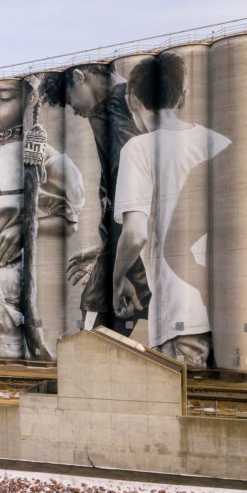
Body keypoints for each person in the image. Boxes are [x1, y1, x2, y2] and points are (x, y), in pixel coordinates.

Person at [111, 52, 230, 367]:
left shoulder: (139, 149)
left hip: (182, 311)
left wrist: (118, 279)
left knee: (182, 404)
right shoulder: (220, 143)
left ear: (132, 99)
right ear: (185, 97)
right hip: (229, 309)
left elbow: (135, 234)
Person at [0, 79, 83, 359]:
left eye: (4, 98)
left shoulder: (49, 161)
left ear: (27, 103)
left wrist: (25, 228)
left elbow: (69, 219)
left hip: (6, 278)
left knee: (4, 352)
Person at [40, 63, 149, 336]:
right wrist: (108, 248)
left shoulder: (115, 110)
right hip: (130, 247)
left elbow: (135, 194)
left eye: (69, 99)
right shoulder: (125, 104)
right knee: (103, 328)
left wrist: (118, 266)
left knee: (100, 330)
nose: (73, 110)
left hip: (135, 250)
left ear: (80, 77)